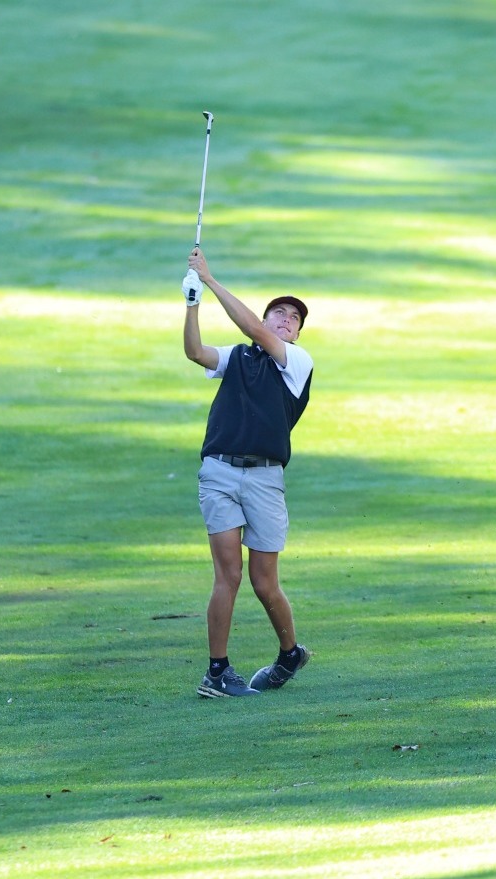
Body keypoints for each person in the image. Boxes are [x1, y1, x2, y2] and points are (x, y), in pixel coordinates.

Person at [183, 246, 314, 698]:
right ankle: (216, 672)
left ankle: (289, 652)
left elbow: (254, 329)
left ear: (296, 333)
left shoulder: (297, 364)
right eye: (278, 313)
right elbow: (196, 352)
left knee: (264, 582)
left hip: (264, 480)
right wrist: (193, 302)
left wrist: (212, 279)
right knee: (229, 575)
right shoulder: (238, 357)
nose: (284, 320)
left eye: (292, 319)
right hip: (219, 472)